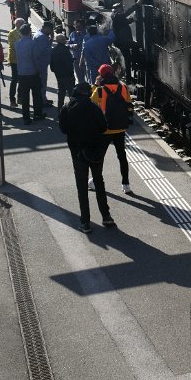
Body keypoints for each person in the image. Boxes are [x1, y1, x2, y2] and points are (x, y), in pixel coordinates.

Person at [58, 83, 115, 233]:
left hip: (77, 152)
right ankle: (106, 216)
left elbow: (63, 129)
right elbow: (104, 127)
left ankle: (85, 223)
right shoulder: (94, 107)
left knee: (82, 186)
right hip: (95, 152)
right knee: (98, 181)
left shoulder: (67, 107)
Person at [91, 64, 134, 194]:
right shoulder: (123, 87)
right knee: (122, 156)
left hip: (106, 129)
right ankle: (126, 184)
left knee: (99, 157)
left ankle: (95, 181)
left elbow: (90, 102)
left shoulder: (99, 90)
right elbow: (129, 104)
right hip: (120, 128)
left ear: (101, 75)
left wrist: (95, 85)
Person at [14, 24, 43, 124]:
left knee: (25, 97)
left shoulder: (16, 44)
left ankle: (26, 117)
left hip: (22, 73)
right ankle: (37, 114)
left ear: (20, 33)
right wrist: (39, 70)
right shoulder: (33, 44)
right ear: (30, 32)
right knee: (36, 95)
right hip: (33, 72)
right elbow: (36, 59)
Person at [49, 34, 76, 109]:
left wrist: (55, 71)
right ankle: (73, 109)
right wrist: (73, 60)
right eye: (64, 39)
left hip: (59, 75)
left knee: (61, 93)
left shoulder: (53, 50)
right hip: (68, 75)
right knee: (71, 93)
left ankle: (60, 110)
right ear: (62, 40)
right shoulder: (65, 50)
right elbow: (68, 64)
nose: (65, 40)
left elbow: (52, 65)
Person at [32, 21, 54, 107]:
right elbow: (41, 52)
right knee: (42, 84)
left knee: (41, 84)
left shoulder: (40, 34)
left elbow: (46, 47)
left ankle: (43, 99)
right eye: (50, 30)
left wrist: (51, 38)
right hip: (41, 65)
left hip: (42, 64)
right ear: (46, 28)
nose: (51, 31)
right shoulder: (41, 38)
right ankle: (42, 101)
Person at [6, 18, 25, 108]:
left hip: (22, 59)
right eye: (22, 23)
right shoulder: (12, 33)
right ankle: (12, 99)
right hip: (15, 59)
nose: (23, 25)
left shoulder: (24, 32)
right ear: (17, 24)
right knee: (14, 79)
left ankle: (20, 97)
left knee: (22, 79)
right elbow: (12, 44)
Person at [67, 19, 87, 85]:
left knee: (88, 77)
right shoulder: (73, 34)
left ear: (83, 26)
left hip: (85, 59)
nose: (77, 28)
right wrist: (72, 46)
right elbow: (68, 44)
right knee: (79, 78)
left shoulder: (87, 34)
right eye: (75, 26)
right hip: (76, 59)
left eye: (78, 26)